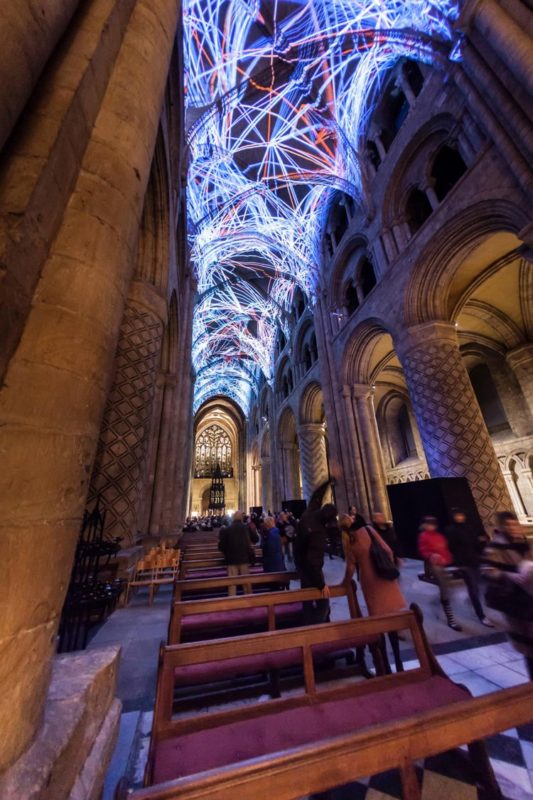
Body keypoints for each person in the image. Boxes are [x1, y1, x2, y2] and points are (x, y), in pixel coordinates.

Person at [339, 514, 406, 672]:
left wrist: (344, 583)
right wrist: (387, 566)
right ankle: (399, 662)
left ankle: (384, 665)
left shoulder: (350, 540)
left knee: (378, 621)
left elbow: (350, 567)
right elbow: (387, 550)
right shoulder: (369, 530)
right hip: (384, 575)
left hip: (369, 580)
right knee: (392, 619)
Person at [482, 511, 533, 679]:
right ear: (502, 527)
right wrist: (509, 575)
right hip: (515, 602)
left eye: (514, 524)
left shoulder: (523, 542)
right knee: (528, 646)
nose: (513, 528)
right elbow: (487, 570)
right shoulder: (495, 546)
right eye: (508, 525)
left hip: (529, 596)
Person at [296, 483, 337, 624]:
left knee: (306, 598)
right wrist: (321, 584)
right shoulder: (318, 532)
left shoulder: (310, 512)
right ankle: (317, 629)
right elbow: (314, 561)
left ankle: (314, 622)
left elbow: (316, 497)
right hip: (309, 569)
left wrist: (327, 482)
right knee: (323, 601)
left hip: (300, 564)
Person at [445, 508, 493, 627]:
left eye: (461, 514)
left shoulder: (469, 528)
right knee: (473, 588)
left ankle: (474, 603)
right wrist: (457, 563)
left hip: (475, 561)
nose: (459, 517)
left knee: (480, 587)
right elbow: (451, 548)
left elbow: (476, 543)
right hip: (464, 563)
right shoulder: (451, 530)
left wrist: (482, 544)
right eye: (457, 515)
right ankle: (481, 615)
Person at [418, 516, 462, 631]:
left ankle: (438, 602)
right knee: (445, 588)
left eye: (432, 524)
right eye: (428, 524)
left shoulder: (439, 536)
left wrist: (448, 559)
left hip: (442, 563)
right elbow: (423, 551)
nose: (430, 526)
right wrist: (432, 555)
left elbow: (445, 549)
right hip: (433, 564)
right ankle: (450, 619)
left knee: (448, 588)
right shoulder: (424, 536)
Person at [218, 510, 254, 595]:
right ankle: (249, 598)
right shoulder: (246, 528)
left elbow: (221, 546)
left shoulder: (227, 529)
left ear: (233, 518)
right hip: (244, 559)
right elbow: (255, 539)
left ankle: (232, 598)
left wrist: (227, 553)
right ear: (242, 518)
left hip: (231, 560)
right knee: (246, 581)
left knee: (232, 583)